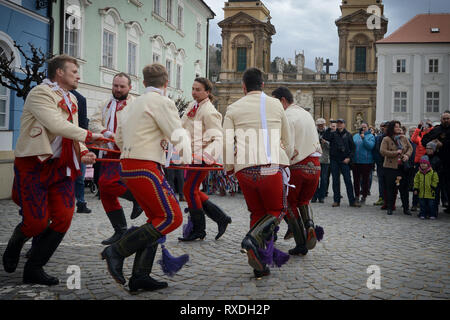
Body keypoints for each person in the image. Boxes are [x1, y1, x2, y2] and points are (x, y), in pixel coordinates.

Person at [2, 54, 102, 285]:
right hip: (34, 164)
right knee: (36, 222)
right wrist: (90, 135)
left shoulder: (72, 100)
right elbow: (56, 125)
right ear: (59, 72)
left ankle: (34, 268)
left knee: (63, 219)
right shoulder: (40, 93)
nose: (78, 75)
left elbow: (72, 130)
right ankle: (15, 244)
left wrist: (84, 150)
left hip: (62, 166)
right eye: (74, 71)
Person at [101, 63, 192, 292]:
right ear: (166, 83)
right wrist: (189, 156)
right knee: (172, 217)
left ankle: (140, 276)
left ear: (142, 83)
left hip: (128, 166)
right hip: (146, 167)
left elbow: (120, 140)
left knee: (156, 219)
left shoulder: (131, 105)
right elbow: (176, 135)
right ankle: (118, 250)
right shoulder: (163, 101)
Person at [223, 68, 292, 278]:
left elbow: (226, 142)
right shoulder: (276, 105)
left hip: (244, 168)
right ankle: (252, 240)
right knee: (278, 210)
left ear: (243, 87)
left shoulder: (233, 108)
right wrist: (286, 159)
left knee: (257, 213)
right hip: (270, 166)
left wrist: (229, 168)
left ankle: (260, 264)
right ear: (263, 85)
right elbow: (287, 140)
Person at [89, 73, 143, 245]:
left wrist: (119, 137)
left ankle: (137, 198)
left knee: (108, 183)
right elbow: (93, 123)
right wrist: (106, 133)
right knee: (104, 192)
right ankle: (120, 230)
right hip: (107, 150)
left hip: (126, 152)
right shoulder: (104, 104)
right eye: (115, 86)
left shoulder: (136, 105)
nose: (118, 90)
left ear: (130, 87)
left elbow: (139, 127)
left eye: (122, 86)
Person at [178, 78, 232, 242]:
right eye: (193, 89)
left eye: (198, 89)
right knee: (191, 190)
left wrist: (206, 156)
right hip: (191, 154)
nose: (194, 92)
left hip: (201, 157)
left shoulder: (209, 111)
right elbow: (182, 126)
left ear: (207, 92)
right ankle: (221, 218)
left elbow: (217, 137)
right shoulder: (192, 106)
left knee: (189, 190)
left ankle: (199, 229)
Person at [272, 86, 322, 256]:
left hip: (297, 165)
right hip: (315, 165)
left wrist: (280, 163)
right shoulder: (306, 114)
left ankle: (301, 243)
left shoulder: (287, 116)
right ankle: (310, 226)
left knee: (289, 204)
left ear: (283, 101)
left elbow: (288, 145)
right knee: (304, 201)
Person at [323, 119, 359, 207]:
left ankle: (352, 201)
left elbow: (353, 149)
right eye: (338, 123)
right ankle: (336, 200)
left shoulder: (348, 135)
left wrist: (349, 158)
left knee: (348, 181)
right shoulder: (332, 133)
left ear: (344, 124)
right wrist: (329, 128)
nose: (339, 125)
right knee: (335, 181)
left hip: (345, 160)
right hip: (334, 160)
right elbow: (325, 137)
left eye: (341, 123)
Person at [380, 120, 413, 216]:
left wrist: (407, 155)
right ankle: (390, 207)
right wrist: (395, 153)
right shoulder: (386, 139)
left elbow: (410, 148)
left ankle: (406, 208)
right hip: (390, 167)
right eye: (396, 127)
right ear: (391, 128)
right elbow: (382, 151)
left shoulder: (403, 138)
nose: (398, 128)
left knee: (404, 188)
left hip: (402, 167)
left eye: (399, 126)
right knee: (391, 188)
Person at [422, 111, 450, 214]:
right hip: (436, 162)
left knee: (448, 185)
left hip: (448, 161)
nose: (446, 120)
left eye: (448, 118)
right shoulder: (437, 129)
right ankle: (433, 207)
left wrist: (442, 144)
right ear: (441, 119)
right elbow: (424, 140)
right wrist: (432, 143)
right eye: (444, 118)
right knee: (435, 184)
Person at [71, 89, 92, 213]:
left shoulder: (80, 99)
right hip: (60, 143)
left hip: (78, 141)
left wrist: (83, 143)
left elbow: (83, 125)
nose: (77, 77)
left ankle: (81, 202)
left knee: (80, 176)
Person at [352, 122, 375, 205]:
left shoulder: (371, 136)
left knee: (365, 181)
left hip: (366, 162)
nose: (363, 129)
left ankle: (364, 196)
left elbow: (370, 146)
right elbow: (352, 147)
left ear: (368, 128)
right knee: (356, 180)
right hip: (356, 161)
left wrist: (364, 138)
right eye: (361, 127)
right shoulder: (355, 136)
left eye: (365, 127)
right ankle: (357, 196)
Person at [413, 155, 439, 219]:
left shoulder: (433, 172)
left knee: (431, 205)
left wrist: (433, 186)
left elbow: (435, 180)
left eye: (424, 163)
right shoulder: (418, 173)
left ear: (428, 164)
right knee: (422, 205)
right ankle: (423, 214)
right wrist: (416, 188)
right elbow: (416, 181)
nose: (423, 165)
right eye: (421, 163)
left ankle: (432, 214)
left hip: (430, 192)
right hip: (422, 193)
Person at [312, 118, 330, 203]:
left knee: (324, 178)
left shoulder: (329, 132)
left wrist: (326, 142)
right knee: (315, 178)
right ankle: (315, 195)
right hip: (316, 157)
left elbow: (333, 145)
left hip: (325, 158)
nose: (320, 127)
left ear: (324, 125)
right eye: (319, 125)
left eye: (322, 125)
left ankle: (322, 196)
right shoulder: (314, 132)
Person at [372, 121, 388, 206]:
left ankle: (389, 199)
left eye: (385, 126)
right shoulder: (379, 137)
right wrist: (377, 161)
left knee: (389, 182)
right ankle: (381, 197)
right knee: (381, 182)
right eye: (383, 126)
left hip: (389, 163)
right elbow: (376, 150)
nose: (384, 128)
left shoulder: (393, 137)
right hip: (380, 163)